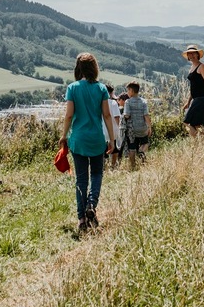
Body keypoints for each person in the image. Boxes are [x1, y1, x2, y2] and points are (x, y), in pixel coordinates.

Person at [60, 53, 116, 233]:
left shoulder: (72, 88)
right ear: (94, 68)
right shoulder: (101, 89)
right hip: (97, 139)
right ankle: (92, 204)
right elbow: (107, 115)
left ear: (78, 68)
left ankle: (82, 219)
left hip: (78, 139)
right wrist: (112, 139)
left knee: (81, 179)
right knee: (97, 174)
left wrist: (63, 135)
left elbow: (69, 115)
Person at [180, 44, 204, 139]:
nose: (191, 56)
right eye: (189, 54)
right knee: (197, 124)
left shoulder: (202, 67)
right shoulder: (192, 68)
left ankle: (201, 141)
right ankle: (202, 141)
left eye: (193, 53)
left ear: (198, 54)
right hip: (196, 99)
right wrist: (188, 101)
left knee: (189, 122)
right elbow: (193, 87)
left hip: (202, 98)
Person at [122, 81, 152, 168]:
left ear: (131, 90)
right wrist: (149, 127)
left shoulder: (128, 102)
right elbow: (146, 115)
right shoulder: (144, 101)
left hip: (132, 129)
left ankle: (133, 166)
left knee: (132, 147)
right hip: (142, 128)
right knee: (145, 143)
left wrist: (124, 116)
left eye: (128, 90)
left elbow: (127, 115)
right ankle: (142, 156)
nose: (127, 92)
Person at [104, 83, 123, 169]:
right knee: (114, 150)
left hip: (102, 130)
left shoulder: (98, 103)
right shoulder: (113, 103)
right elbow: (117, 117)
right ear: (111, 93)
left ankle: (104, 166)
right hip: (112, 130)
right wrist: (118, 128)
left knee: (103, 150)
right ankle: (113, 166)